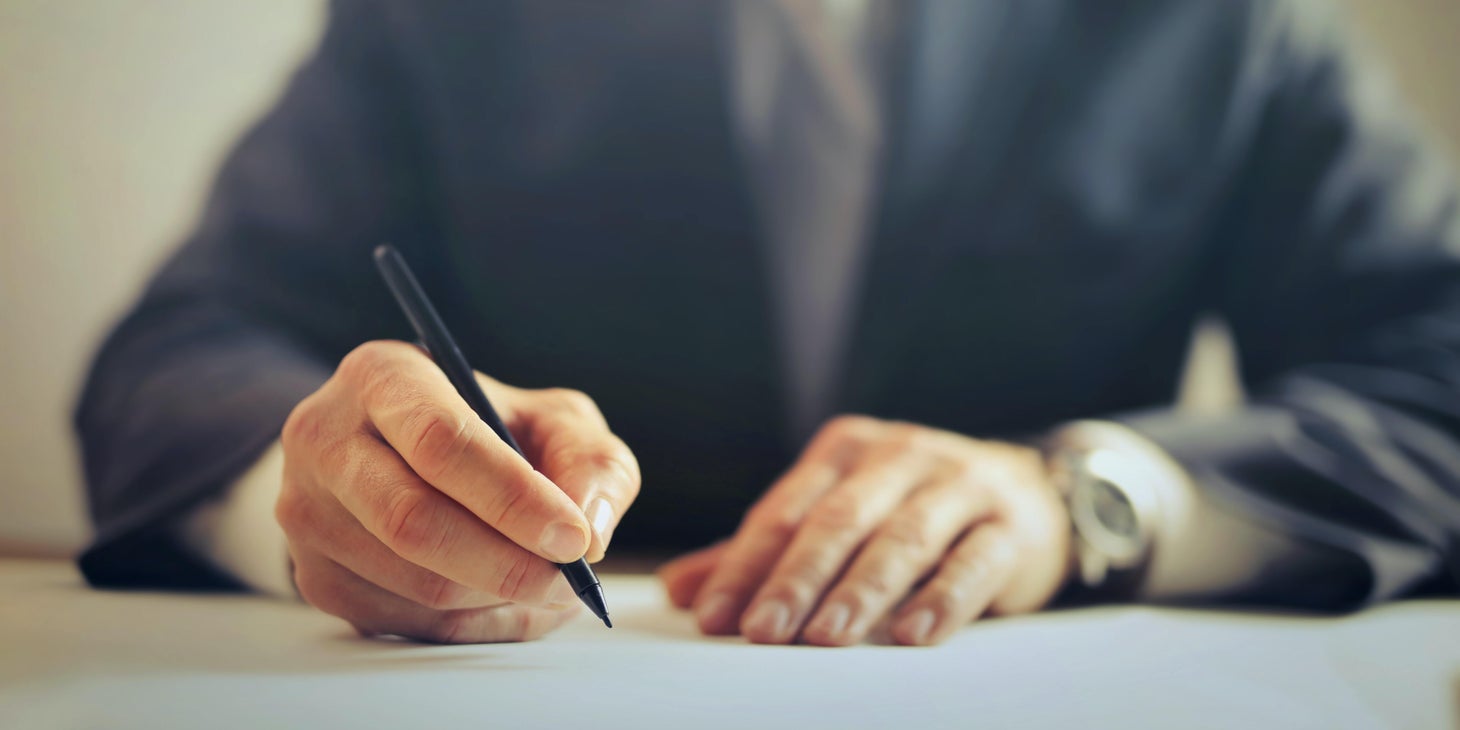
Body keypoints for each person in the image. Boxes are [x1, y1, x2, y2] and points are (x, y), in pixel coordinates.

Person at [76, 0, 1460, 646]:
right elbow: (175, 359)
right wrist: (346, 498)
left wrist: (1088, 501)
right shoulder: (446, 21)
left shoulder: (1218, 26)